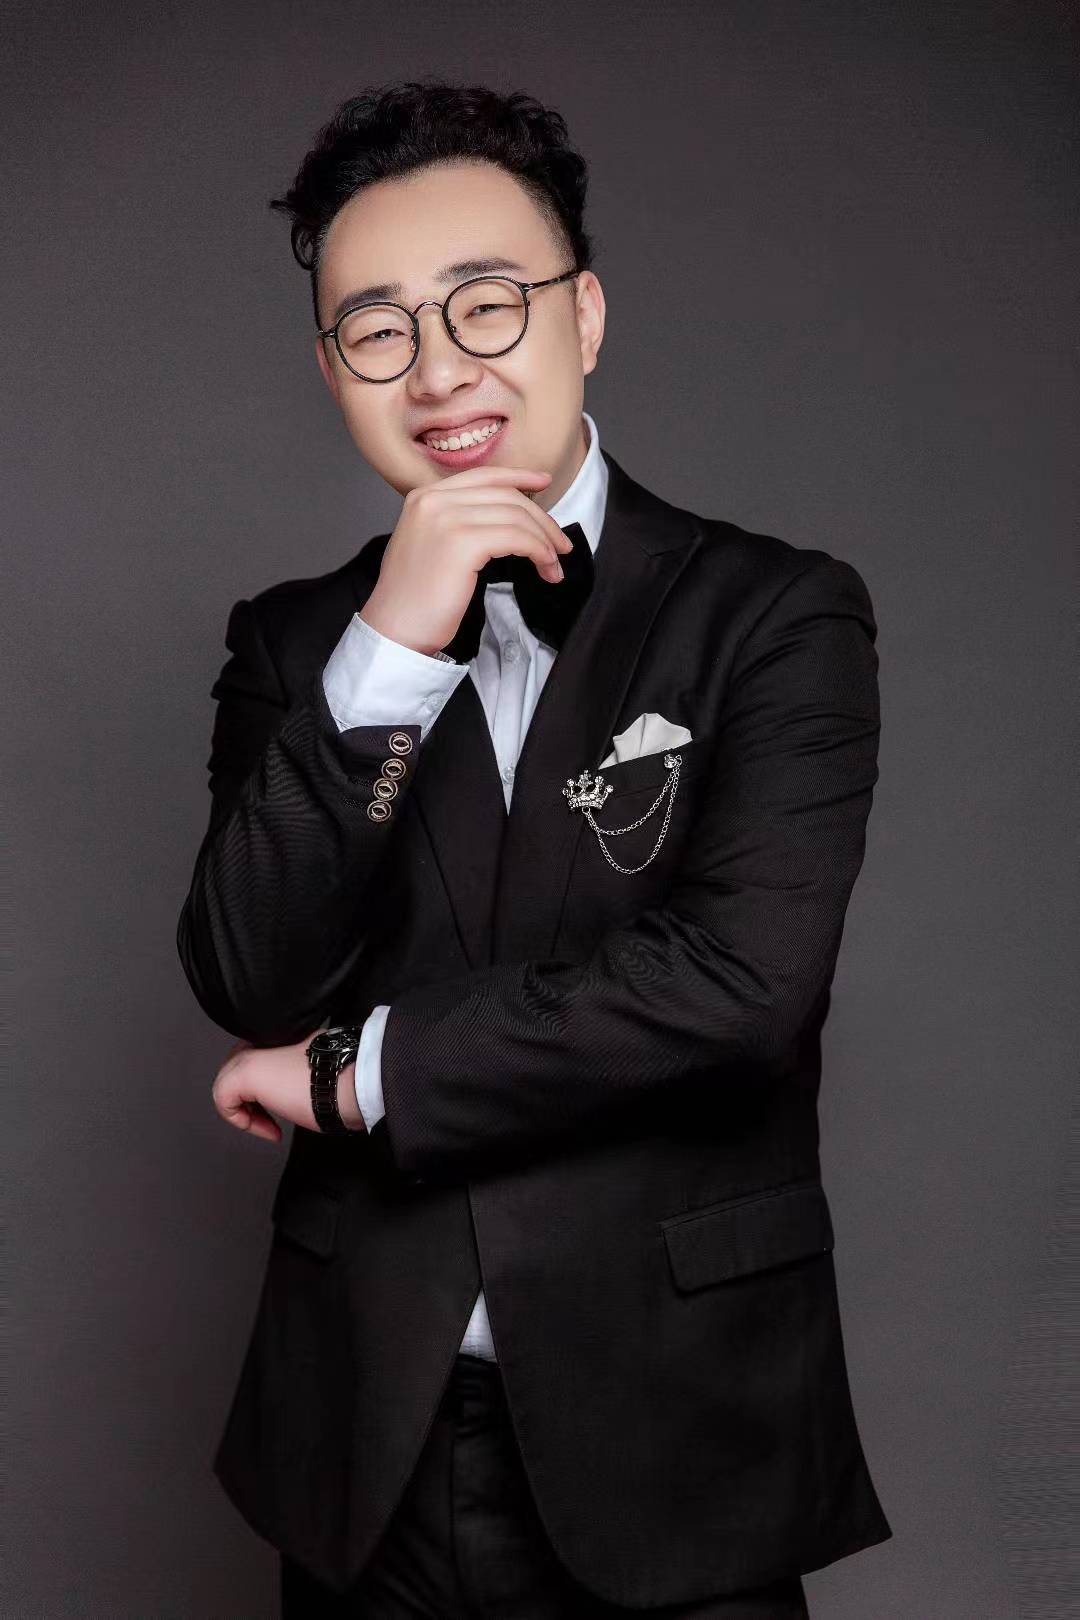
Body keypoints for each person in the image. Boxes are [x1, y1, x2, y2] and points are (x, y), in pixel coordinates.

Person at [177, 79, 893, 1618]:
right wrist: (389, 649)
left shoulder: (774, 614)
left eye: (486, 304)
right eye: (379, 329)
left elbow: (737, 986)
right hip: (361, 1444)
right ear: (333, 369)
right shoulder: (294, 644)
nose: (439, 368)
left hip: (679, 1426)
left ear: (587, 315)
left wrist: (354, 1075)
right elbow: (248, 969)